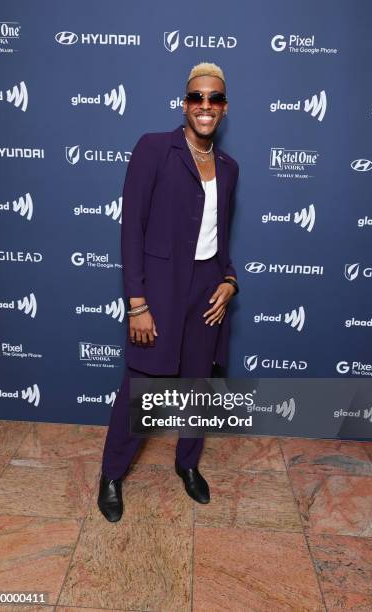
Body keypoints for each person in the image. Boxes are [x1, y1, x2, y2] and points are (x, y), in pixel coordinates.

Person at [98, 62, 240, 522]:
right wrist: (136, 303)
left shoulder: (229, 168)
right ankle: (112, 475)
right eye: (197, 97)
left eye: (214, 99)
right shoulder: (154, 149)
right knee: (142, 387)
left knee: (199, 385)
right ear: (185, 104)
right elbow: (131, 231)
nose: (205, 105)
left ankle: (188, 465)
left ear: (224, 108)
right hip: (159, 290)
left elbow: (221, 239)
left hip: (206, 290)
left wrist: (229, 280)